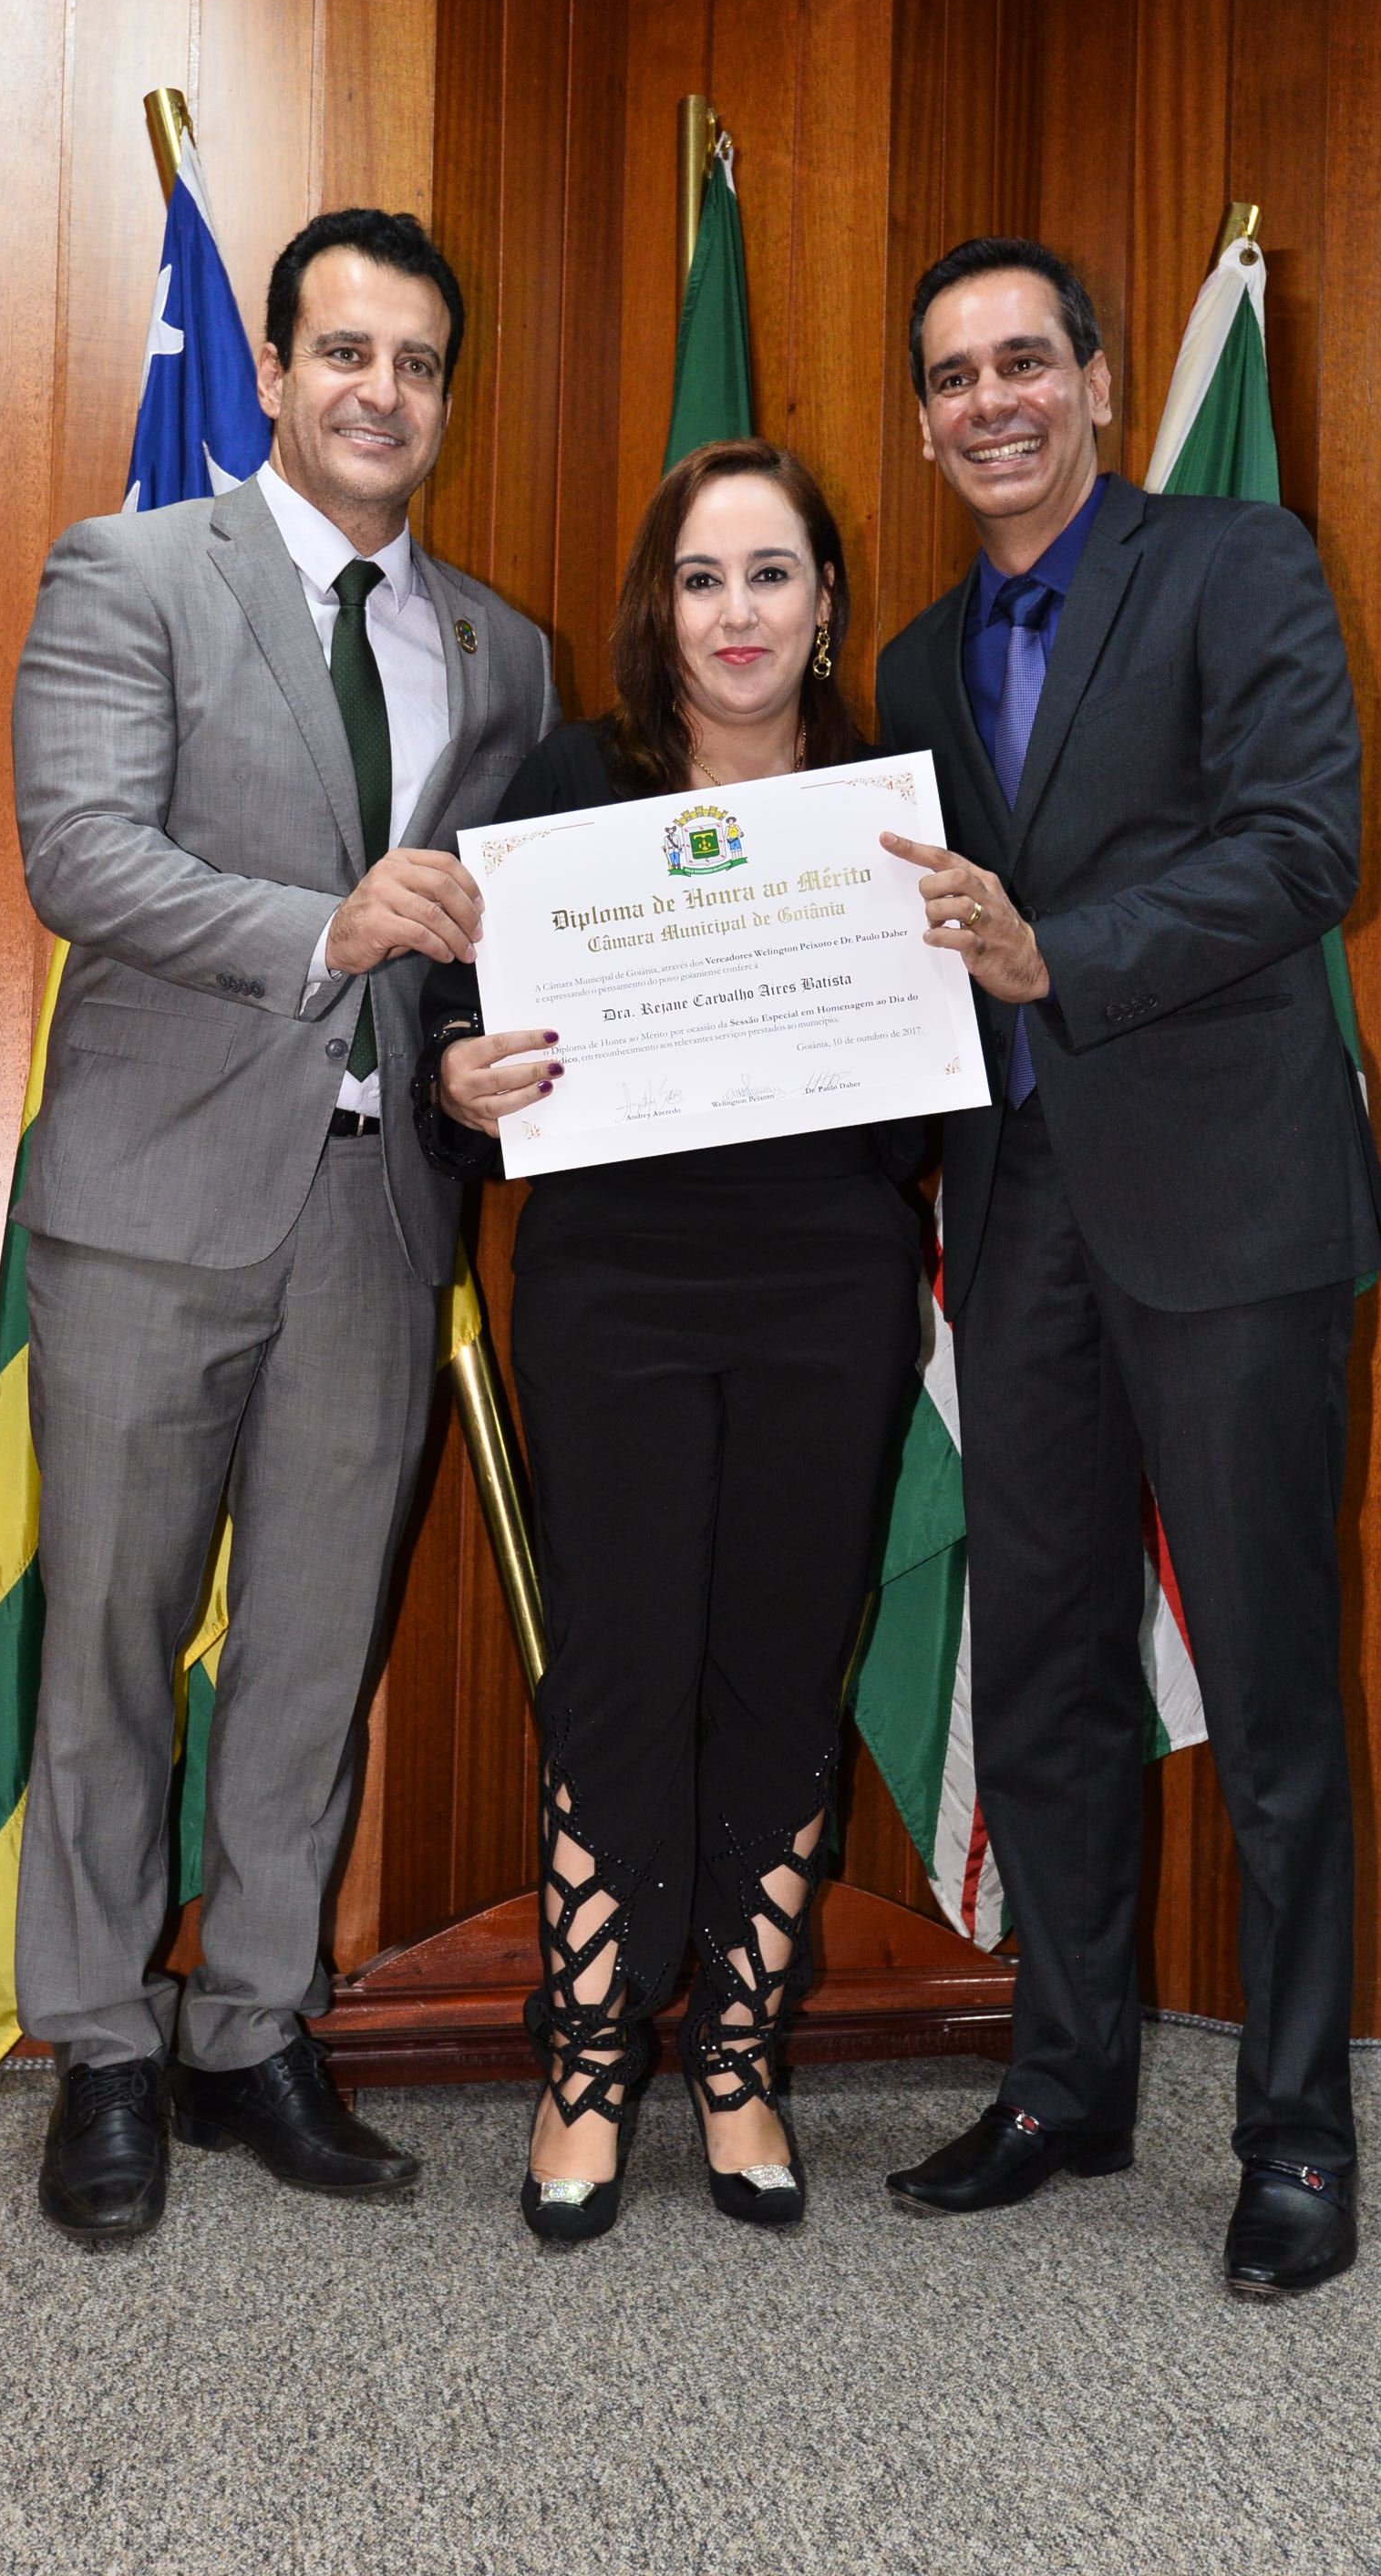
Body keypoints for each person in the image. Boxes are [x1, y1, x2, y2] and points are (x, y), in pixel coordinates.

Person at [9, 208, 557, 2243]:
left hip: (374, 1215)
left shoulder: (502, 652)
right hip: (150, 1202)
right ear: (270, 367)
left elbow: (470, 955)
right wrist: (322, 929)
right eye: (345, 351)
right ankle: (101, 2042)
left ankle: (249, 2030)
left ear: (445, 393)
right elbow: (82, 855)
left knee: (314, 1649)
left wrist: (463, 1066)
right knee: (110, 1638)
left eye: (417, 362)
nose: (380, 392)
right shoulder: (131, 570)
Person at [875, 237, 1381, 2297]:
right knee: (1047, 1677)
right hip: (1013, 1225)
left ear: (1095, 382)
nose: (990, 400)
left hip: (1231, 1209)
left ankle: (1296, 2135)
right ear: (924, 422)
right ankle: (1065, 2081)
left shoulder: (1235, 561)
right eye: (952, 377)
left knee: (1267, 1690)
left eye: (1024, 360)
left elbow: (1302, 844)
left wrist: (1059, 955)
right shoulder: (912, 662)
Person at [413, 440, 922, 2242]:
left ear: (823, 602)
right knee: (620, 1661)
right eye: (702, 578)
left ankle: (738, 2056)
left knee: (778, 1660)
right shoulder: (572, 781)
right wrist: (457, 1078)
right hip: (615, 1286)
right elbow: (463, 1033)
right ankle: (583, 2062)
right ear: (661, 605)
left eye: (771, 574)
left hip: (828, 1285)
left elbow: (944, 1087)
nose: (737, 612)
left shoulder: (886, 803)